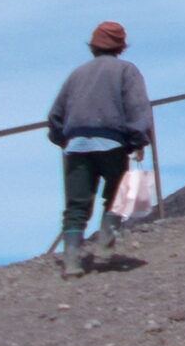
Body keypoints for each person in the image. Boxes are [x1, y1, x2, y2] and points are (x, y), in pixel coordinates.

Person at [47, 20, 155, 278]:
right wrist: (138, 140)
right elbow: (138, 108)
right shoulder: (126, 71)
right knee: (118, 196)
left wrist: (64, 139)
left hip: (76, 146)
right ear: (121, 47)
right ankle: (105, 250)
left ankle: (72, 261)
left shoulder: (77, 75)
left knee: (76, 205)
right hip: (112, 144)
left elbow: (55, 115)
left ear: (93, 46)